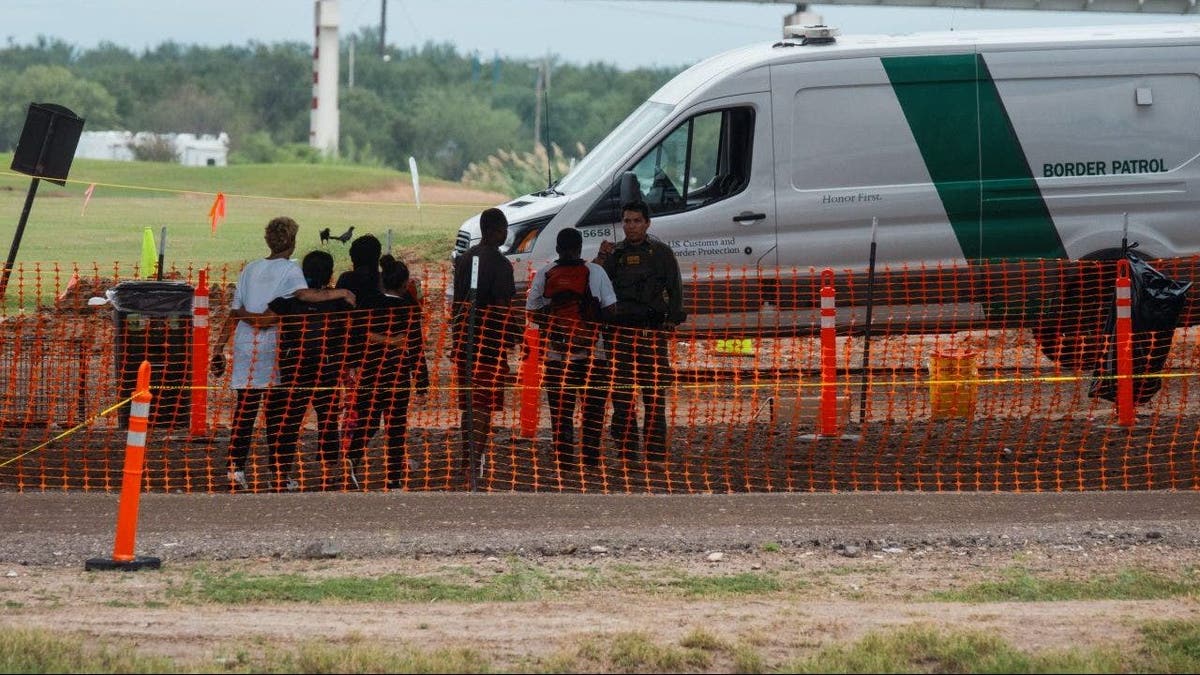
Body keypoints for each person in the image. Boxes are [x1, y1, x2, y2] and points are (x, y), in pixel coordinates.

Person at [211, 216, 355, 492]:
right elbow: (305, 296)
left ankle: (235, 470)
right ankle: (278, 474)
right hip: (276, 350)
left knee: (244, 411)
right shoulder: (291, 271)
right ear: (292, 241)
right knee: (277, 417)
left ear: (268, 239)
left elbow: (233, 312)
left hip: (244, 348)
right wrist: (341, 292)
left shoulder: (249, 269)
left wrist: (219, 348)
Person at [594, 200, 686, 465]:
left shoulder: (661, 253)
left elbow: (676, 289)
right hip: (620, 334)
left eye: (636, 221)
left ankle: (655, 453)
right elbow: (596, 282)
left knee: (654, 394)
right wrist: (601, 257)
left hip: (651, 333)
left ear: (647, 223)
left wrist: (671, 320)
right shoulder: (614, 254)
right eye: (626, 221)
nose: (630, 226)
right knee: (622, 396)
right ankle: (626, 453)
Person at [526, 228, 616, 470]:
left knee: (561, 412)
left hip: (556, 356)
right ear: (580, 248)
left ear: (557, 249)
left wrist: (552, 323)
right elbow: (611, 310)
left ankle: (564, 461)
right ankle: (590, 460)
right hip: (592, 355)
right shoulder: (596, 272)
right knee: (593, 411)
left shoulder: (545, 273)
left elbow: (532, 310)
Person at [266, 250, 354, 491]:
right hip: (328, 368)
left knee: (289, 421)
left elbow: (265, 317)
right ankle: (329, 474)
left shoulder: (289, 302)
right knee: (328, 421)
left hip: (294, 368)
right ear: (330, 273)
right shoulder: (341, 303)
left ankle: (280, 475)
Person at [344, 254, 430, 489]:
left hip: (370, 375)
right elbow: (416, 348)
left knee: (367, 423)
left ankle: (351, 462)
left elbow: (356, 338)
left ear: (382, 283)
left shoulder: (369, 306)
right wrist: (422, 382)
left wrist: (353, 366)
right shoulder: (408, 311)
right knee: (395, 428)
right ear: (404, 285)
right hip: (397, 377)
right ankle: (393, 478)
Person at [451, 207, 519, 482]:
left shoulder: (464, 258)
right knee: (483, 407)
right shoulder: (501, 264)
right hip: (489, 345)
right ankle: (473, 463)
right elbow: (503, 308)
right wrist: (514, 335)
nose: (505, 234)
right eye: (503, 229)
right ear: (494, 230)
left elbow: (458, 300)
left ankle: (467, 459)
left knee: (469, 405)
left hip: (464, 342)